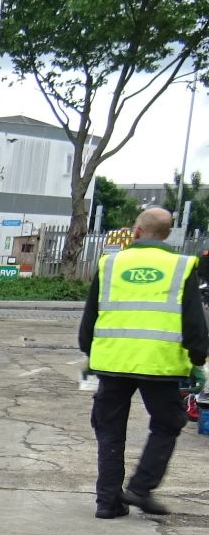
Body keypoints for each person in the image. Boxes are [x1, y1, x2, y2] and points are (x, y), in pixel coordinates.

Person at [81, 206, 208, 517]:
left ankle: (108, 503)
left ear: (136, 232)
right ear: (167, 234)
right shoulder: (181, 265)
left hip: (111, 362)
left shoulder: (110, 263)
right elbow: (194, 321)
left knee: (109, 429)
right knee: (168, 423)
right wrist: (198, 359)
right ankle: (140, 488)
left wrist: (88, 352)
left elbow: (90, 315)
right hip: (159, 365)